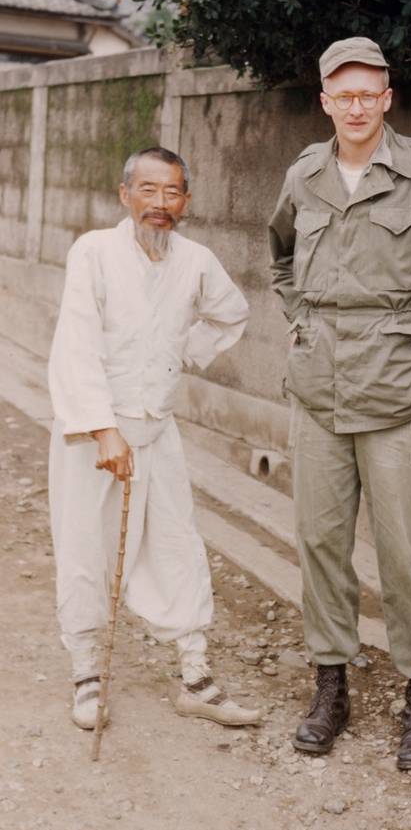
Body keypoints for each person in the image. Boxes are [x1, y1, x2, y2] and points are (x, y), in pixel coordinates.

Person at [268, 37, 411, 770]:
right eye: (344, 94)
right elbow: (279, 256)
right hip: (318, 392)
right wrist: (303, 323)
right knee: (321, 544)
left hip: (401, 392)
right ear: (326, 100)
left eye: (370, 92)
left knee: (406, 554)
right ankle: (330, 685)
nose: (358, 105)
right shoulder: (305, 173)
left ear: (389, 97)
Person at [48, 146, 262, 731]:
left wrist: (181, 357)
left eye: (171, 193)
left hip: (157, 429)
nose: (159, 204)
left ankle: (195, 676)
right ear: (125, 195)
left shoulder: (195, 260)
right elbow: (76, 344)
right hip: (92, 437)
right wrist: (102, 429)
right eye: (148, 190)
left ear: (186, 201)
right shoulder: (93, 251)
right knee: (87, 549)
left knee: (175, 543)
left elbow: (231, 314)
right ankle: (87, 675)